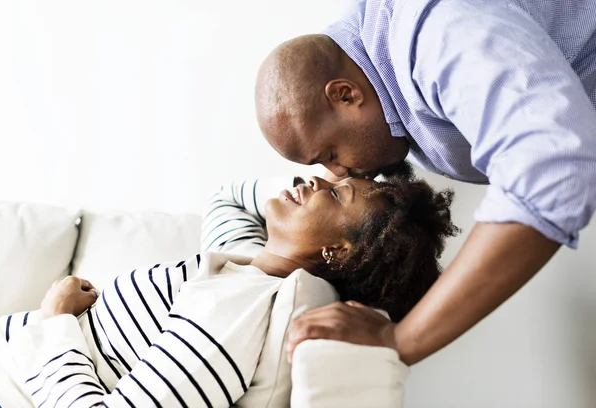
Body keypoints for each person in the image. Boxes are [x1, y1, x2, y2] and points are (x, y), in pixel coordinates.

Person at [255, 0, 596, 365]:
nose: (335, 173)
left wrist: (401, 340)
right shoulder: (367, 58)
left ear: (345, 95)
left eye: (331, 155)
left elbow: (553, 164)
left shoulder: (442, 33)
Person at [0, 172, 457, 407]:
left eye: (336, 194)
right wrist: (343, 169)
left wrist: (56, 320)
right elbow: (229, 196)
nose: (313, 177)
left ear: (339, 252)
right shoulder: (245, 260)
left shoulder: (241, 307)